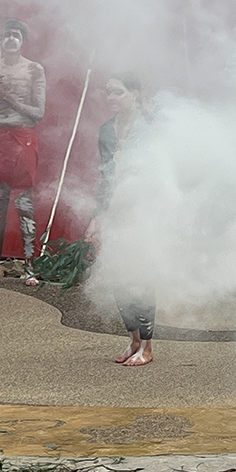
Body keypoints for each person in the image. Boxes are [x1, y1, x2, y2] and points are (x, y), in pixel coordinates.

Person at [86, 72, 157, 366]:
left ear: (135, 94)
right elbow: (104, 176)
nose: (110, 98)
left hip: (144, 206)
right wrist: (97, 215)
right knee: (116, 273)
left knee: (140, 275)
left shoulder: (151, 128)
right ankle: (134, 340)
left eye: (118, 92)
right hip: (115, 206)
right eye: (108, 92)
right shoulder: (106, 130)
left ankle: (149, 346)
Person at [0, 18, 46, 285]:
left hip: (23, 139)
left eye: (16, 35)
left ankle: (30, 269)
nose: (11, 39)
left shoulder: (34, 70)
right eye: (6, 35)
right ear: (0, 40)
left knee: (25, 206)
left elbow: (38, 113)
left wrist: (9, 97)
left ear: (23, 40)